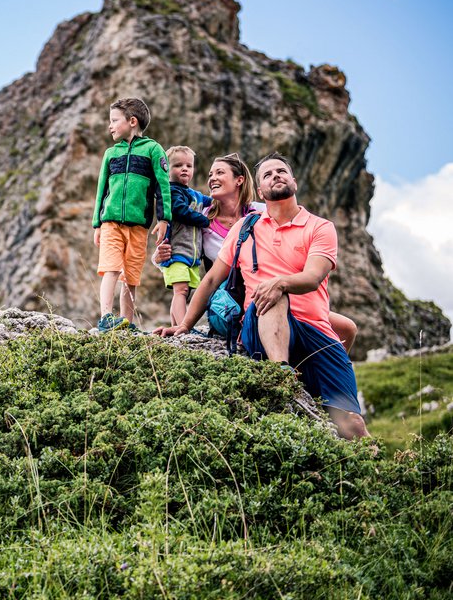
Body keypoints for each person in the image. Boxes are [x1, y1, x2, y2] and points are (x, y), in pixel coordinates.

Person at [155, 152, 369, 440]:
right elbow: (210, 280)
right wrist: (185, 326)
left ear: (293, 180)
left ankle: (382, 475)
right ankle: (280, 375)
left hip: (315, 328)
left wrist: (280, 282)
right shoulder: (246, 227)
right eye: (267, 175)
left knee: (353, 426)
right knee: (271, 292)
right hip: (260, 324)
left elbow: (313, 277)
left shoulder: (320, 227)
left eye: (281, 171)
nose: (275, 176)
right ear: (259, 190)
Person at [154, 153, 358, 352]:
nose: (212, 179)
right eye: (210, 175)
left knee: (348, 328)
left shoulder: (260, 212)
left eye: (219, 173)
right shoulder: (201, 218)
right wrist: (159, 257)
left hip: (273, 288)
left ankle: (324, 364)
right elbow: (184, 249)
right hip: (231, 299)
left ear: (239, 180)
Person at [92, 98, 171, 331]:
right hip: (110, 223)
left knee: (131, 276)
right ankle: (106, 317)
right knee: (111, 268)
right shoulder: (110, 154)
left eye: (114, 120)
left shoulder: (153, 150)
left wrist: (164, 218)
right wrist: (97, 223)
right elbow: (101, 191)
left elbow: (162, 187)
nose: (110, 126)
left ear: (132, 121)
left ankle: (126, 322)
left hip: (139, 226)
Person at [159, 146, 212, 325]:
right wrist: (205, 221)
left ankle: (176, 326)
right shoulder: (171, 192)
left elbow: (212, 202)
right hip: (176, 252)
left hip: (192, 255)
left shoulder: (194, 194)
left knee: (184, 292)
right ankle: (183, 327)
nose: (184, 169)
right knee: (180, 291)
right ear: (167, 169)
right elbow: (180, 211)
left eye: (189, 166)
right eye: (178, 165)